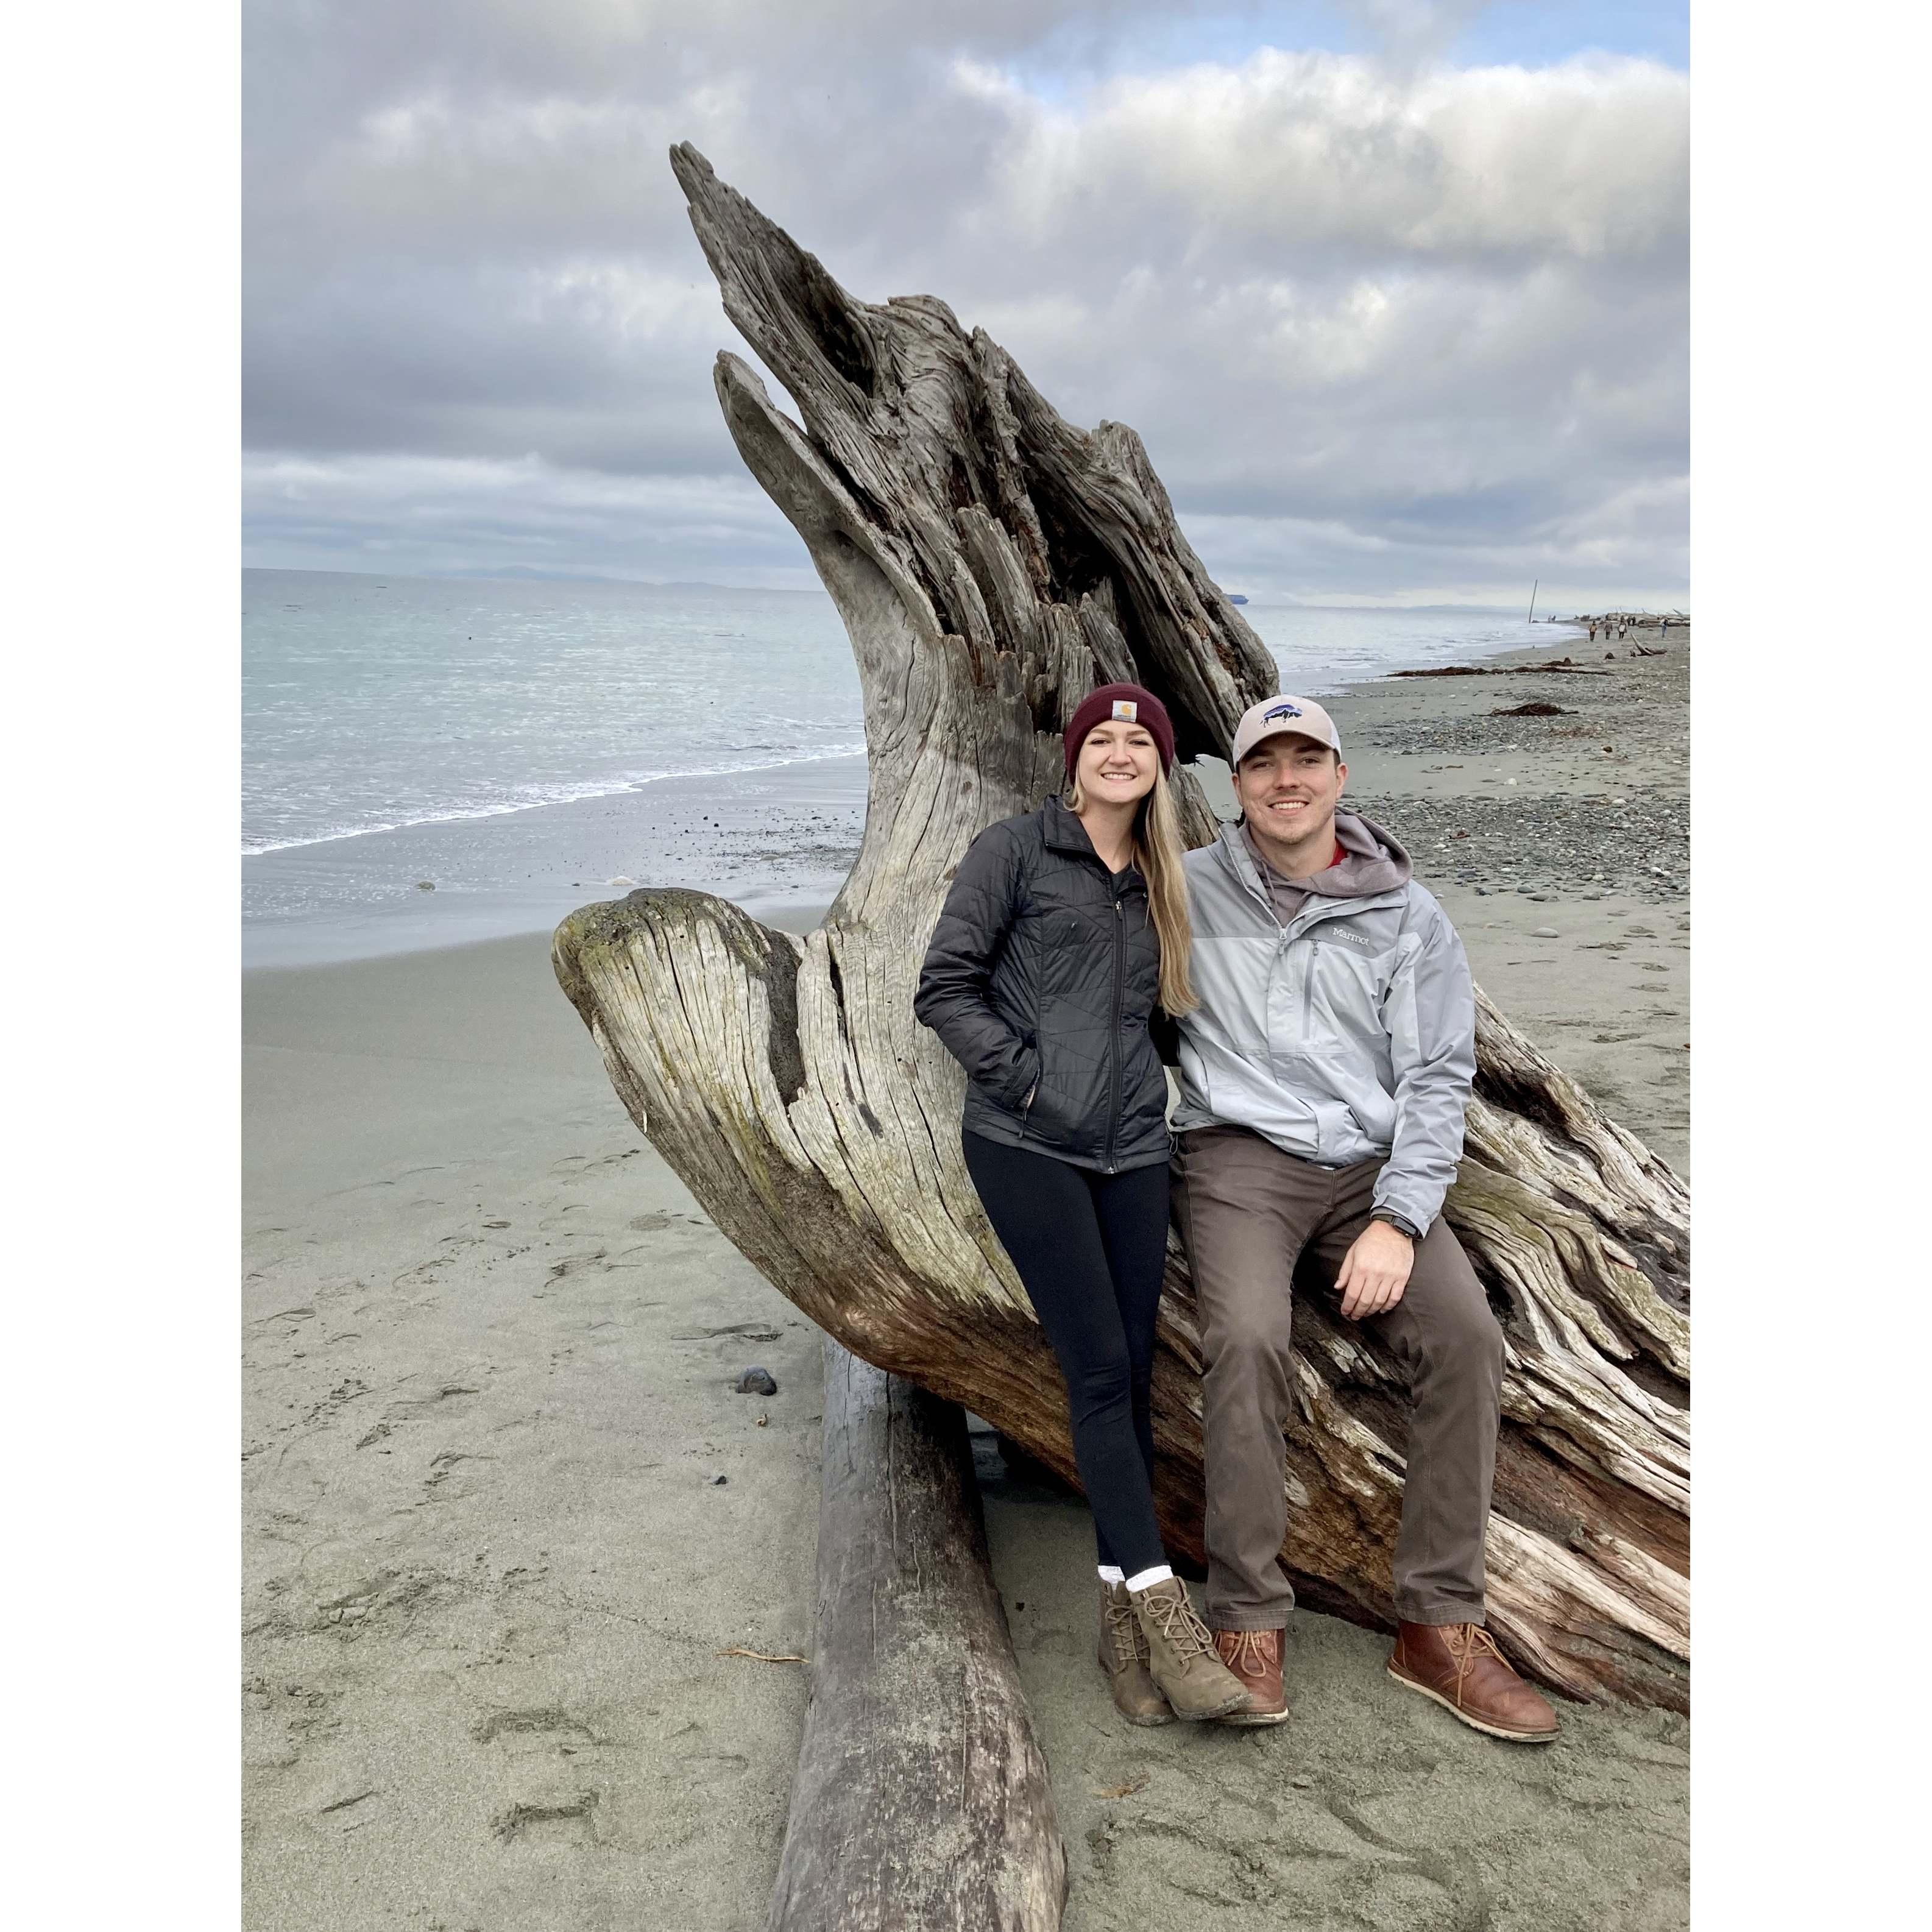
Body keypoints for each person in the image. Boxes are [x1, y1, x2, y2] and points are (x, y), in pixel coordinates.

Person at [1168, 693, 1560, 1743]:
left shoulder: (1408, 914)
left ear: (1341, 779)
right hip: (1238, 1158)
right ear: (1237, 785)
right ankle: (1247, 1620)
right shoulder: (1188, 888)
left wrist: (1400, 1218)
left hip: (1367, 1170)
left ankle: (1436, 1625)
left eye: (1308, 760)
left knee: (1467, 1337)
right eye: (1265, 764)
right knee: (1247, 1338)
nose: (1287, 780)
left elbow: (1437, 1076)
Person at [915, 683, 1251, 1727]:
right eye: (1101, 738)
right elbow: (945, 986)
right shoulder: (1015, 852)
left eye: (1138, 742)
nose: (1120, 752)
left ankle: (1119, 1633)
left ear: (1159, 765)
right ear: (1075, 760)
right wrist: (1025, 1085)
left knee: (1133, 1375)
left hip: (1134, 1148)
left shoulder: (1164, 876)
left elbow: (1163, 1020)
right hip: (1027, 1145)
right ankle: (1168, 1618)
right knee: (1099, 1368)